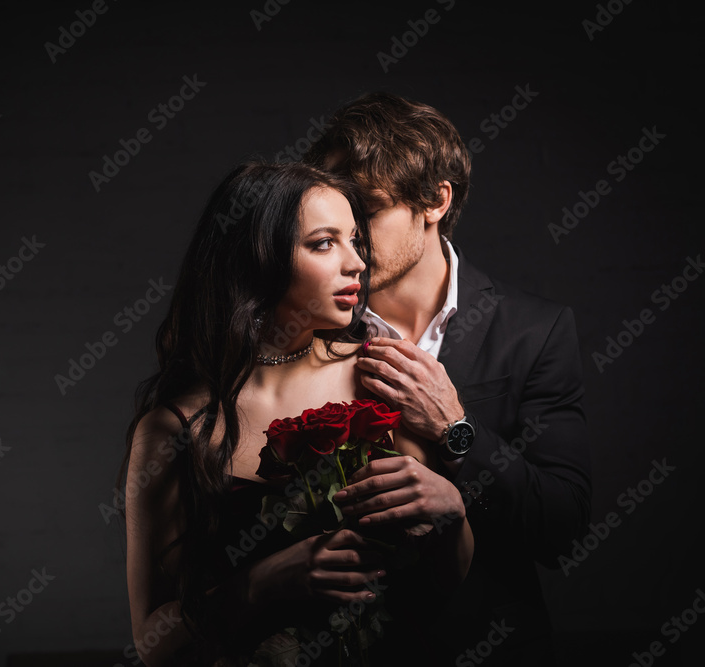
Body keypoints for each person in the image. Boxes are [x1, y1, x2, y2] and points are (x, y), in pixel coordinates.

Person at [119, 161, 474, 666]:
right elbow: (154, 644)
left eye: (356, 240)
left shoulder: (383, 377)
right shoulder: (177, 428)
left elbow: (440, 590)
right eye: (324, 243)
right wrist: (262, 584)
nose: (356, 264)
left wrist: (453, 514)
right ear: (255, 258)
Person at [305, 92, 591, 665]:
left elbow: (561, 526)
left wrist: (456, 429)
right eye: (339, 213)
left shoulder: (534, 330)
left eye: (369, 210)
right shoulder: (305, 326)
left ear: (435, 200)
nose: (351, 236)